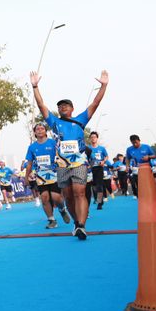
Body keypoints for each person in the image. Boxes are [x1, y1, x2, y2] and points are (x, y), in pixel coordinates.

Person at [30, 70, 108, 240]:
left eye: (66, 105)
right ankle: (76, 222)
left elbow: (96, 103)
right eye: (60, 106)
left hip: (79, 163)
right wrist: (35, 87)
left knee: (79, 192)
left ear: (72, 109)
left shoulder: (81, 119)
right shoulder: (54, 122)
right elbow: (41, 105)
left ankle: (82, 226)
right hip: (61, 165)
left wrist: (104, 85)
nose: (63, 107)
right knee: (68, 197)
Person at [25, 123, 71, 229]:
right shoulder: (32, 147)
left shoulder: (53, 143)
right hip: (41, 176)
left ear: (45, 131)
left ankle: (62, 209)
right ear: (35, 132)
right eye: (37, 129)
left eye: (42, 128)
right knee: (44, 198)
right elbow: (29, 164)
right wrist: (26, 177)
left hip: (54, 173)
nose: (40, 130)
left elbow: (63, 155)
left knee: (56, 197)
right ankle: (51, 220)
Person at [86, 132, 109, 210]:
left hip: (99, 168)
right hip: (90, 169)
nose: (93, 138)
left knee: (99, 186)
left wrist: (103, 161)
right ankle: (96, 199)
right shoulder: (88, 148)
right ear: (90, 138)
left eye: (94, 137)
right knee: (94, 186)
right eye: (92, 137)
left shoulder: (102, 148)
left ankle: (100, 203)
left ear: (97, 138)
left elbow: (106, 156)